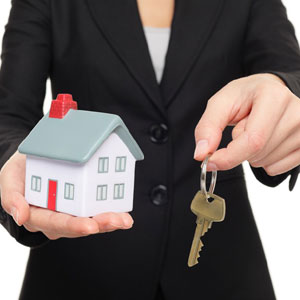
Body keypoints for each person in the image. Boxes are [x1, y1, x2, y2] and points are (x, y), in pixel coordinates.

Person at [0, 0, 299, 299]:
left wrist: (281, 93)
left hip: (223, 272)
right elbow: (10, 114)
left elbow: (291, 78)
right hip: (78, 270)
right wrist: (13, 159)